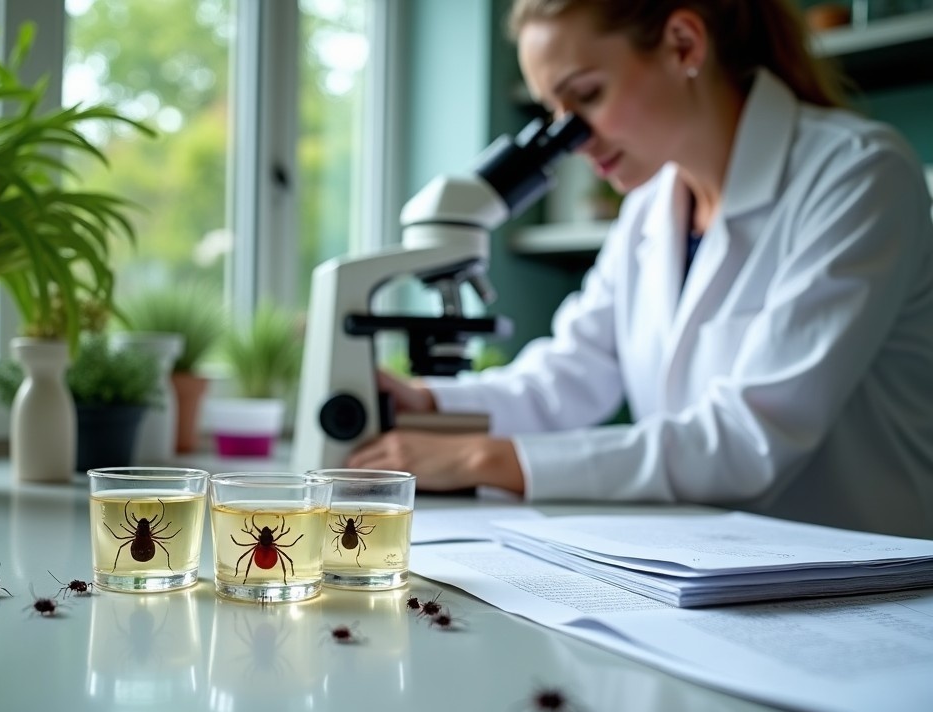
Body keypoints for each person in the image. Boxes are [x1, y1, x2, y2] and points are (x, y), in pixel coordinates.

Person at [348, 0, 933, 539]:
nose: (573, 140)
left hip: (864, 589)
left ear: (683, 44)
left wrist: (486, 459)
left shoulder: (857, 175)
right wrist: (425, 404)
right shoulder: (651, 207)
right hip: (711, 568)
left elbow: (748, 440)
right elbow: (569, 376)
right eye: (556, 113)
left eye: (587, 96)